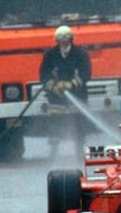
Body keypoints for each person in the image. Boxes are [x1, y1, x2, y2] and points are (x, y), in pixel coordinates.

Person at [39, 25, 92, 155]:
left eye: (66, 40)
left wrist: (72, 84)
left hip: (77, 96)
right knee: (55, 126)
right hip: (56, 97)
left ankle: (79, 153)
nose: (63, 43)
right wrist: (53, 86)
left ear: (71, 40)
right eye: (60, 41)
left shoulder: (81, 54)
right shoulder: (50, 54)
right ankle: (53, 154)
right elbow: (43, 73)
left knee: (79, 126)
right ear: (57, 41)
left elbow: (86, 73)